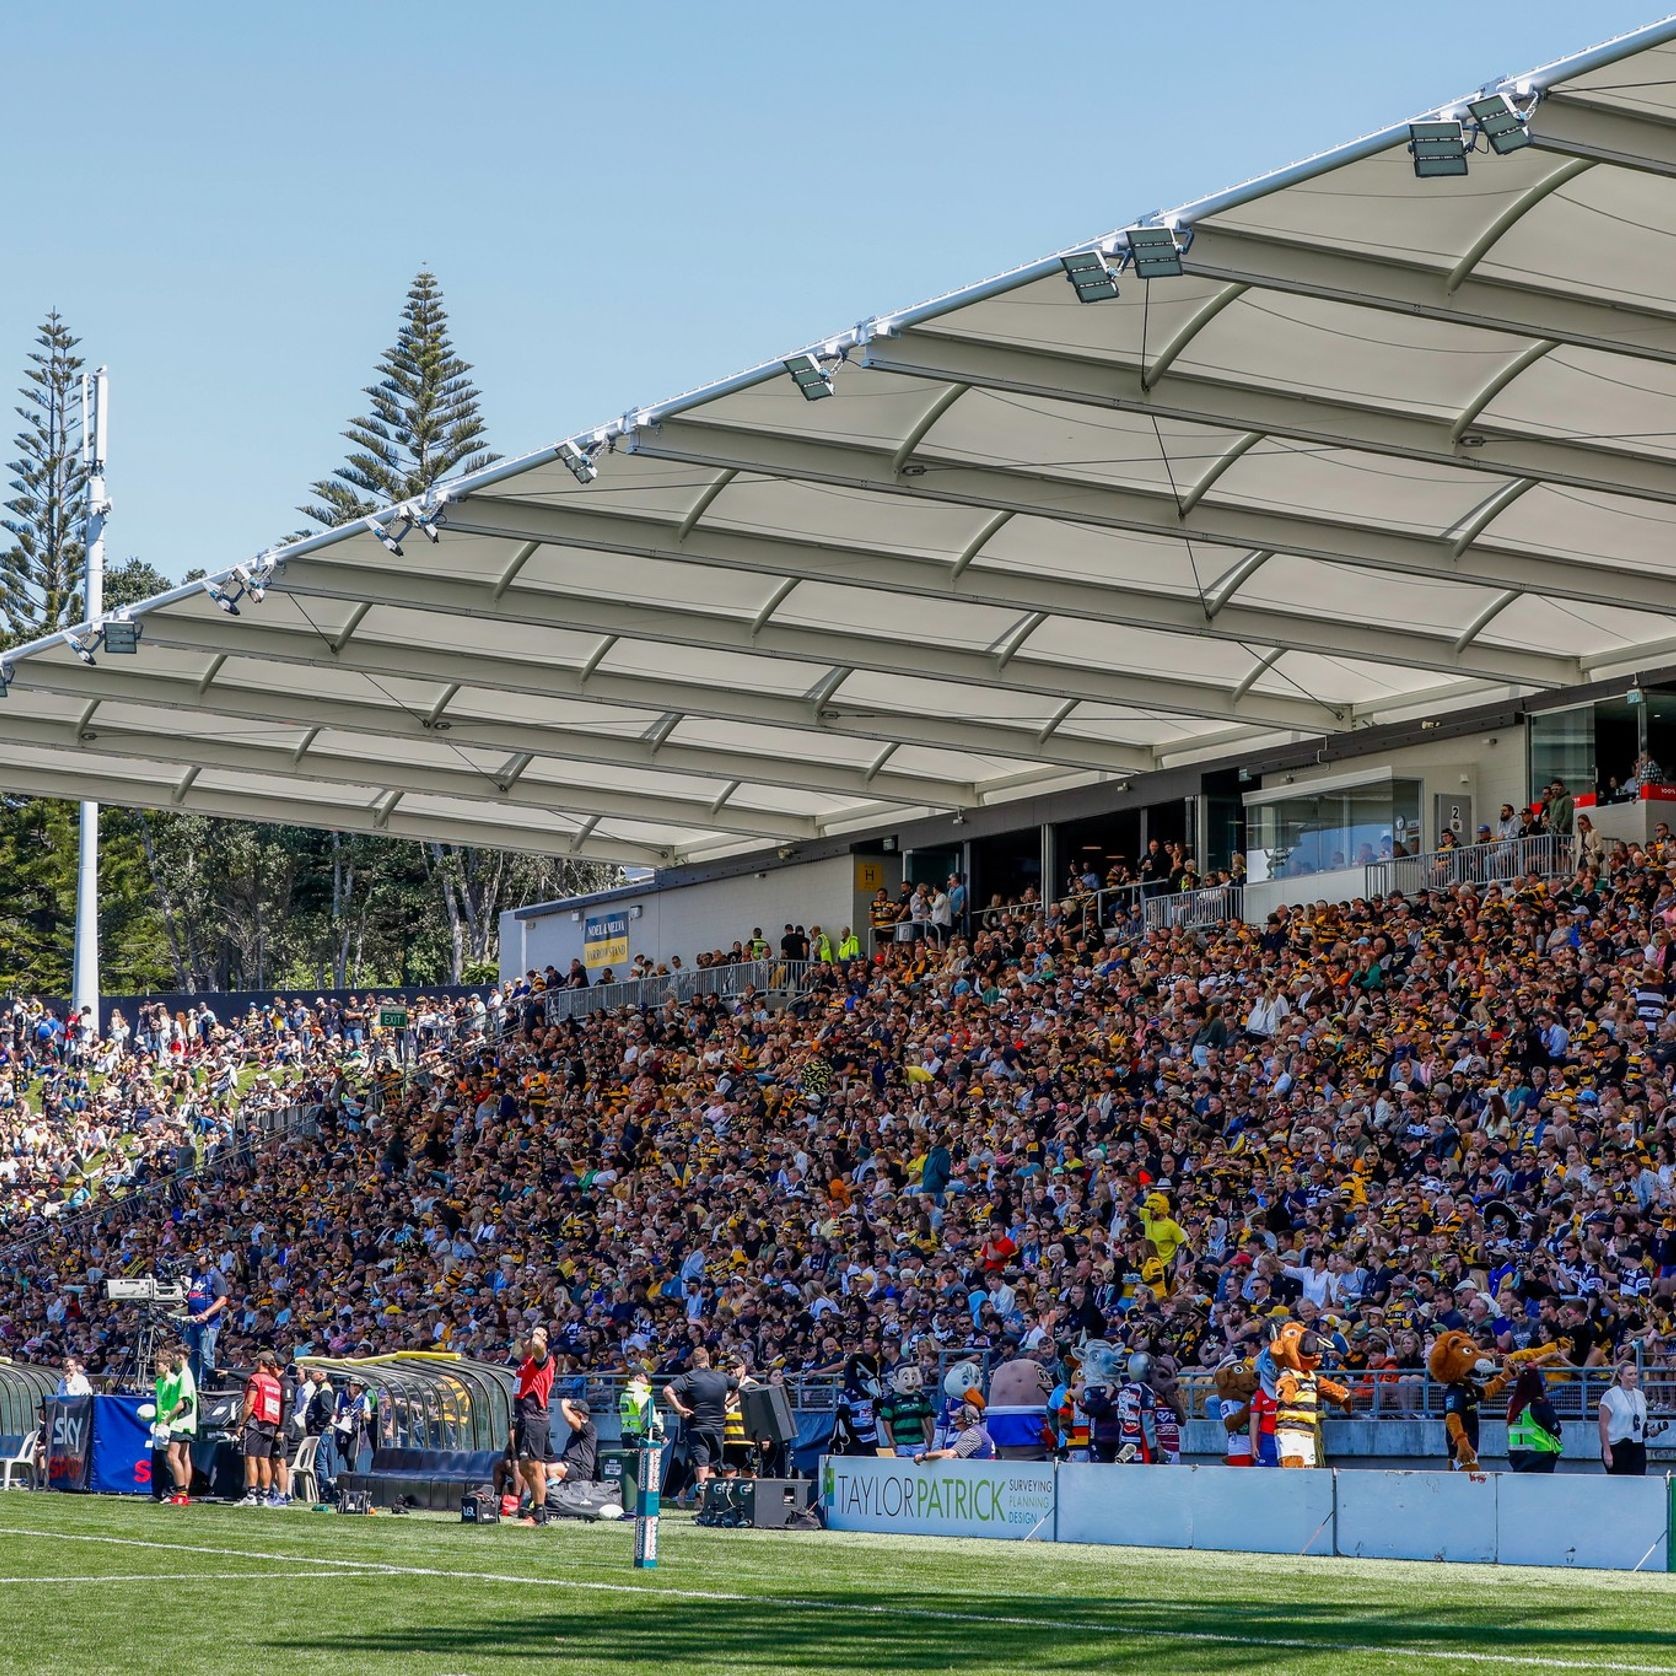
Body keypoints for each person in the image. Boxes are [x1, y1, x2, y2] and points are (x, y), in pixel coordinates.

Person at [663, 1346, 737, 1503]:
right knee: (712, 1466)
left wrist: (680, 1409)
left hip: (697, 1427)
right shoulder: (721, 1377)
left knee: (701, 1465)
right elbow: (741, 1388)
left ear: (692, 1362)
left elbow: (667, 1391)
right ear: (708, 1360)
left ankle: (705, 1503)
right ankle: (712, 1503)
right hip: (718, 1427)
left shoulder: (689, 1377)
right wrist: (727, 1404)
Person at [514, 1326, 557, 1524]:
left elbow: (539, 1346)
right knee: (524, 1466)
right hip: (524, 1419)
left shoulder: (541, 1360)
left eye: (527, 1339)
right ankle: (537, 1507)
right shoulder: (525, 1362)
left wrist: (539, 1334)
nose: (523, 1342)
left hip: (534, 1418)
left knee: (534, 1465)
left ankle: (539, 1513)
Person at [151, 1343, 197, 1506]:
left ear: (179, 1357)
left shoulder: (183, 1376)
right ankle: (183, 1494)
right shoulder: (185, 1374)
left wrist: (165, 1421)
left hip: (179, 1422)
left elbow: (182, 1402)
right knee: (183, 1457)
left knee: (172, 1457)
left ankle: (181, 1492)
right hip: (186, 1422)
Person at [238, 1349, 285, 1507]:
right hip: (271, 1423)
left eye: (256, 1361)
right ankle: (264, 1496)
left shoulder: (256, 1379)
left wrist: (241, 1423)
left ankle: (251, 1495)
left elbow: (249, 1403)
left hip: (256, 1421)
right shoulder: (276, 1383)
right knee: (264, 1460)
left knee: (250, 1458)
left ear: (260, 1363)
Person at [1505, 1364, 1563, 1474]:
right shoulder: (1539, 1404)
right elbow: (1557, 1429)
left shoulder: (1512, 1406)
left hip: (1516, 1454)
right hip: (1540, 1454)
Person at [183, 1255, 229, 1387]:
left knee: (206, 1355)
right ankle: (193, 1385)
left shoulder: (216, 1276)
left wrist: (206, 1314)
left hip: (208, 1324)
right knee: (191, 1355)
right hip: (192, 1321)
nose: (197, 1259)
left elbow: (223, 1300)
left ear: (208, 1258)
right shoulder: (195, 1273)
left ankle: (208, 1386)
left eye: (200, 1256)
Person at [1601, 1361, 1651, 1476]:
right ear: (1620, 1376)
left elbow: (1642, 1421)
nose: (1633, 1377)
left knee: (1639, 1480)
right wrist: (1607, 1452)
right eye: (1630, 1374)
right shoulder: (1610, 1395)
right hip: (1617, 1445)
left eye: (1635, 1374)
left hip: (1637, 1445)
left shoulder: (1640, 1395)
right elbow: (1603, 1425)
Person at [913, 1402, 994, 1463]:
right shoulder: (978, 1431)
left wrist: (924, 1456)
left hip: (978, 1476)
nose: (954, 1421)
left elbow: (950, 1454)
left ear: (967, 1419)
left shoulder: (973, 1433)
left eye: (957, 1418)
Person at [547, 1396, 598, 1491]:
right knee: (540, 1469)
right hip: (570, 1465)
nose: (570, 1414)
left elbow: (571, 1420)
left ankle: (556, 1494)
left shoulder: (589, 1428)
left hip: (581, 1469)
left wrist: (564, 1407)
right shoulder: (575, 1432)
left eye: (573, 1412)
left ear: (580, 1416)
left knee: (552, 1469)